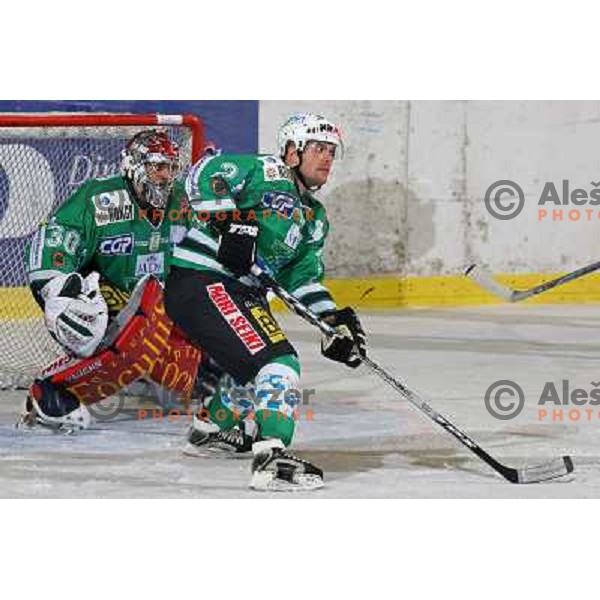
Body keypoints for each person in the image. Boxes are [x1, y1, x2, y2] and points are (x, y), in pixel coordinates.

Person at [164, 113, 367, 491]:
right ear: (292, 152)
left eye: (332, 152)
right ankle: (270, 457)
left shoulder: (314, 218)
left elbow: (301, 277)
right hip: (203, 279)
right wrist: (228, 221)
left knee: (255, 371)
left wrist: (331, 321)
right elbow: (204, 172)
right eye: (318, 149)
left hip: (238, 291)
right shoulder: (266, 170)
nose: (327, 159)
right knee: (279, 362)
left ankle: (210, 430)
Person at [21, 129, 203, 432]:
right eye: (157, 166)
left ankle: (143, 375)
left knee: (184, 392)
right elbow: (56, 239)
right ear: (133, 166)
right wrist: (56, 287)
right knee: (103, 326)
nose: (165, 175)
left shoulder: (182, 201)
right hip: (108, 303)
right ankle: (50, 389)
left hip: (163, 308)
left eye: (171, 167)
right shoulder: (103, 199)